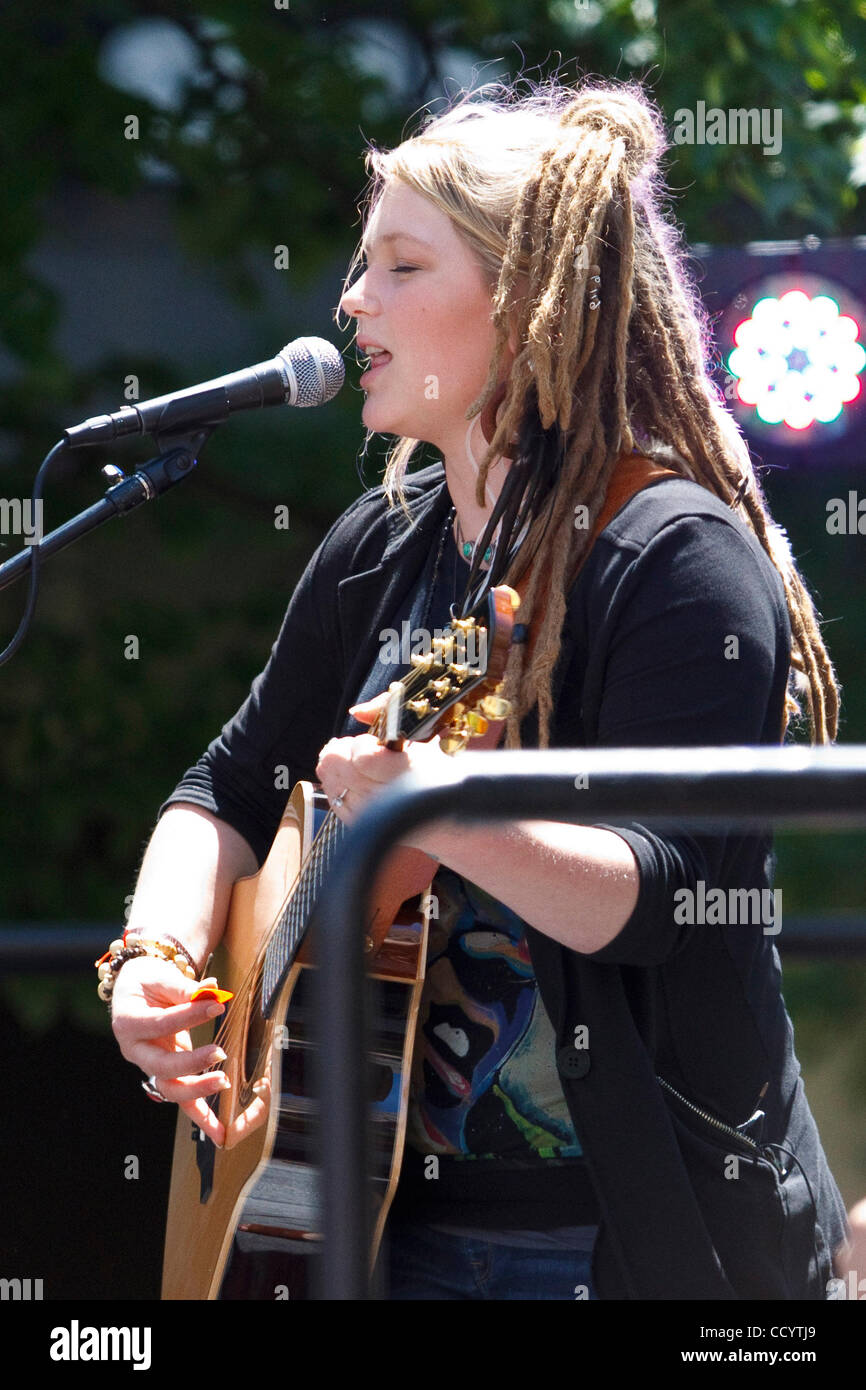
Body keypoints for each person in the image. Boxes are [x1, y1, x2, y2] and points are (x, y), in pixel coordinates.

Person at [108, 74, 849, 1300]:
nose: (351, 301)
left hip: (626, 1241)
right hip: (377, 1221)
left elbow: (661, 897)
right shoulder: (383, 542)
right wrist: (154, 952)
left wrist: (431, 808)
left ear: (525, 300)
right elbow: (229, 784)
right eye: (360, 266)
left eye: (400, 266)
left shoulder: (674, 561)